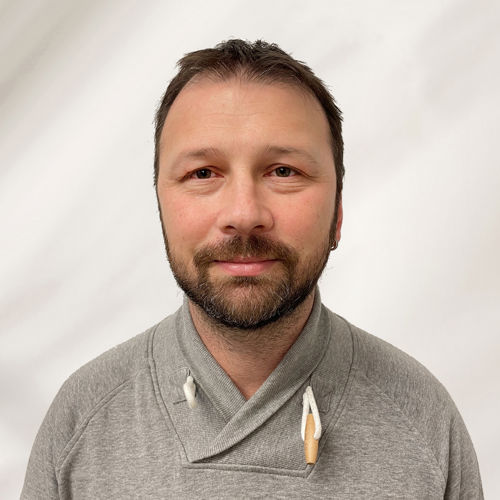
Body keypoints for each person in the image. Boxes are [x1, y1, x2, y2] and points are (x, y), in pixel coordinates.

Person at [22, 39, 483, 499]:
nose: (244, 214)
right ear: (161, 206)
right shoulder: (80, 422)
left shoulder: (423, 422)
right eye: (203, 173)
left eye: (283, 171)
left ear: (338, 212)